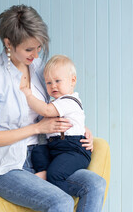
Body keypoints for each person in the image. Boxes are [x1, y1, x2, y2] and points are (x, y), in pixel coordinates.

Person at [0, 4, 106, 212]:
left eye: (39, 47)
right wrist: (37, 129)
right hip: (5, 167)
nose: (35, 55)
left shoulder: (39, 70)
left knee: (95, 184)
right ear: (8, 43)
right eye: (28, 49)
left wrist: (80, 129)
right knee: (61, 201)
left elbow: (61, 103)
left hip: (46, 157)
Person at [20, 55, 91, 193]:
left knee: (55, 173)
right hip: (56, 147)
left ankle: (65, 198)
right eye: (48, 83)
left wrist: (28, 96)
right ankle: (45, 173)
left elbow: (46, 111)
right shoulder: (56, 103)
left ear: (72, 81)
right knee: (38, 152)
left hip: (74, 150)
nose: (53, 86)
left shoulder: (69, 100)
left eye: (58, 81)